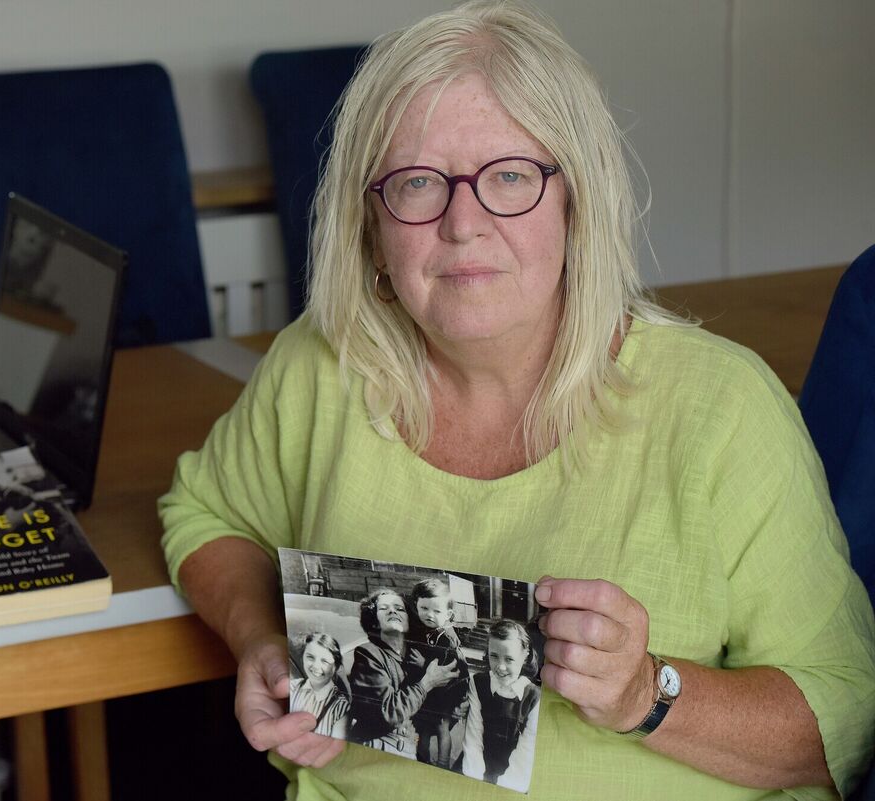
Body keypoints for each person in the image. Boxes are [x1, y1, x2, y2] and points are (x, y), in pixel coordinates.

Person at [159, 1, 875, 798]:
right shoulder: (324, 366)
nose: (463, 223)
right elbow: (207, 514)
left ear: (577, 204)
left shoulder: (722, 408)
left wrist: (648, 694)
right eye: (418, 182)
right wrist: (261, 636)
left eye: (509, 176)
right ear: (371, 225)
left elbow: (841, 720)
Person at [346, 588, 457, 759]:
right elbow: (386, 712)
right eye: (384, 608)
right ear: (374, 621)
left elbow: (448, 681)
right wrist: (426, 683)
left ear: (409, 619)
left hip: (410, 745)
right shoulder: (368, 654)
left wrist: (458, 702)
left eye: (399, 608)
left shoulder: (418, 651)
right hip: (378, 748)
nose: (392, 611)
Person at [462, 619, 541, 791]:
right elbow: (473, 736)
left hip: (512, 775)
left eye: (509, 659)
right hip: (477, 766)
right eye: (494, 656)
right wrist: (474, 781)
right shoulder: (479, 683)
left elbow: (525, 753)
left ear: (525, 655)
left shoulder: (534, 697)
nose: (500, 667)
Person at [405, 578, 469, 768]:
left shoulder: (447, 638)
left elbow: (450, 669)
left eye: (436, 611)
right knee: (422, 727)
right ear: (416, 606)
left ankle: (442, 763)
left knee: (442, 727)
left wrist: (424, 664)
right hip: (428, 691)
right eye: (424, 608)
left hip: (445, 693)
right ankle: (422, 758)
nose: (429, 615)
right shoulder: (423, 630)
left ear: (448, 614)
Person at [288, 633, 351, 739]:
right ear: (302, 657)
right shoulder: (292, 687)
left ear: (335, 667)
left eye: (325, 661)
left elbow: (335, 747)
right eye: (310, 657)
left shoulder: (340, 708)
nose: (316, 666)